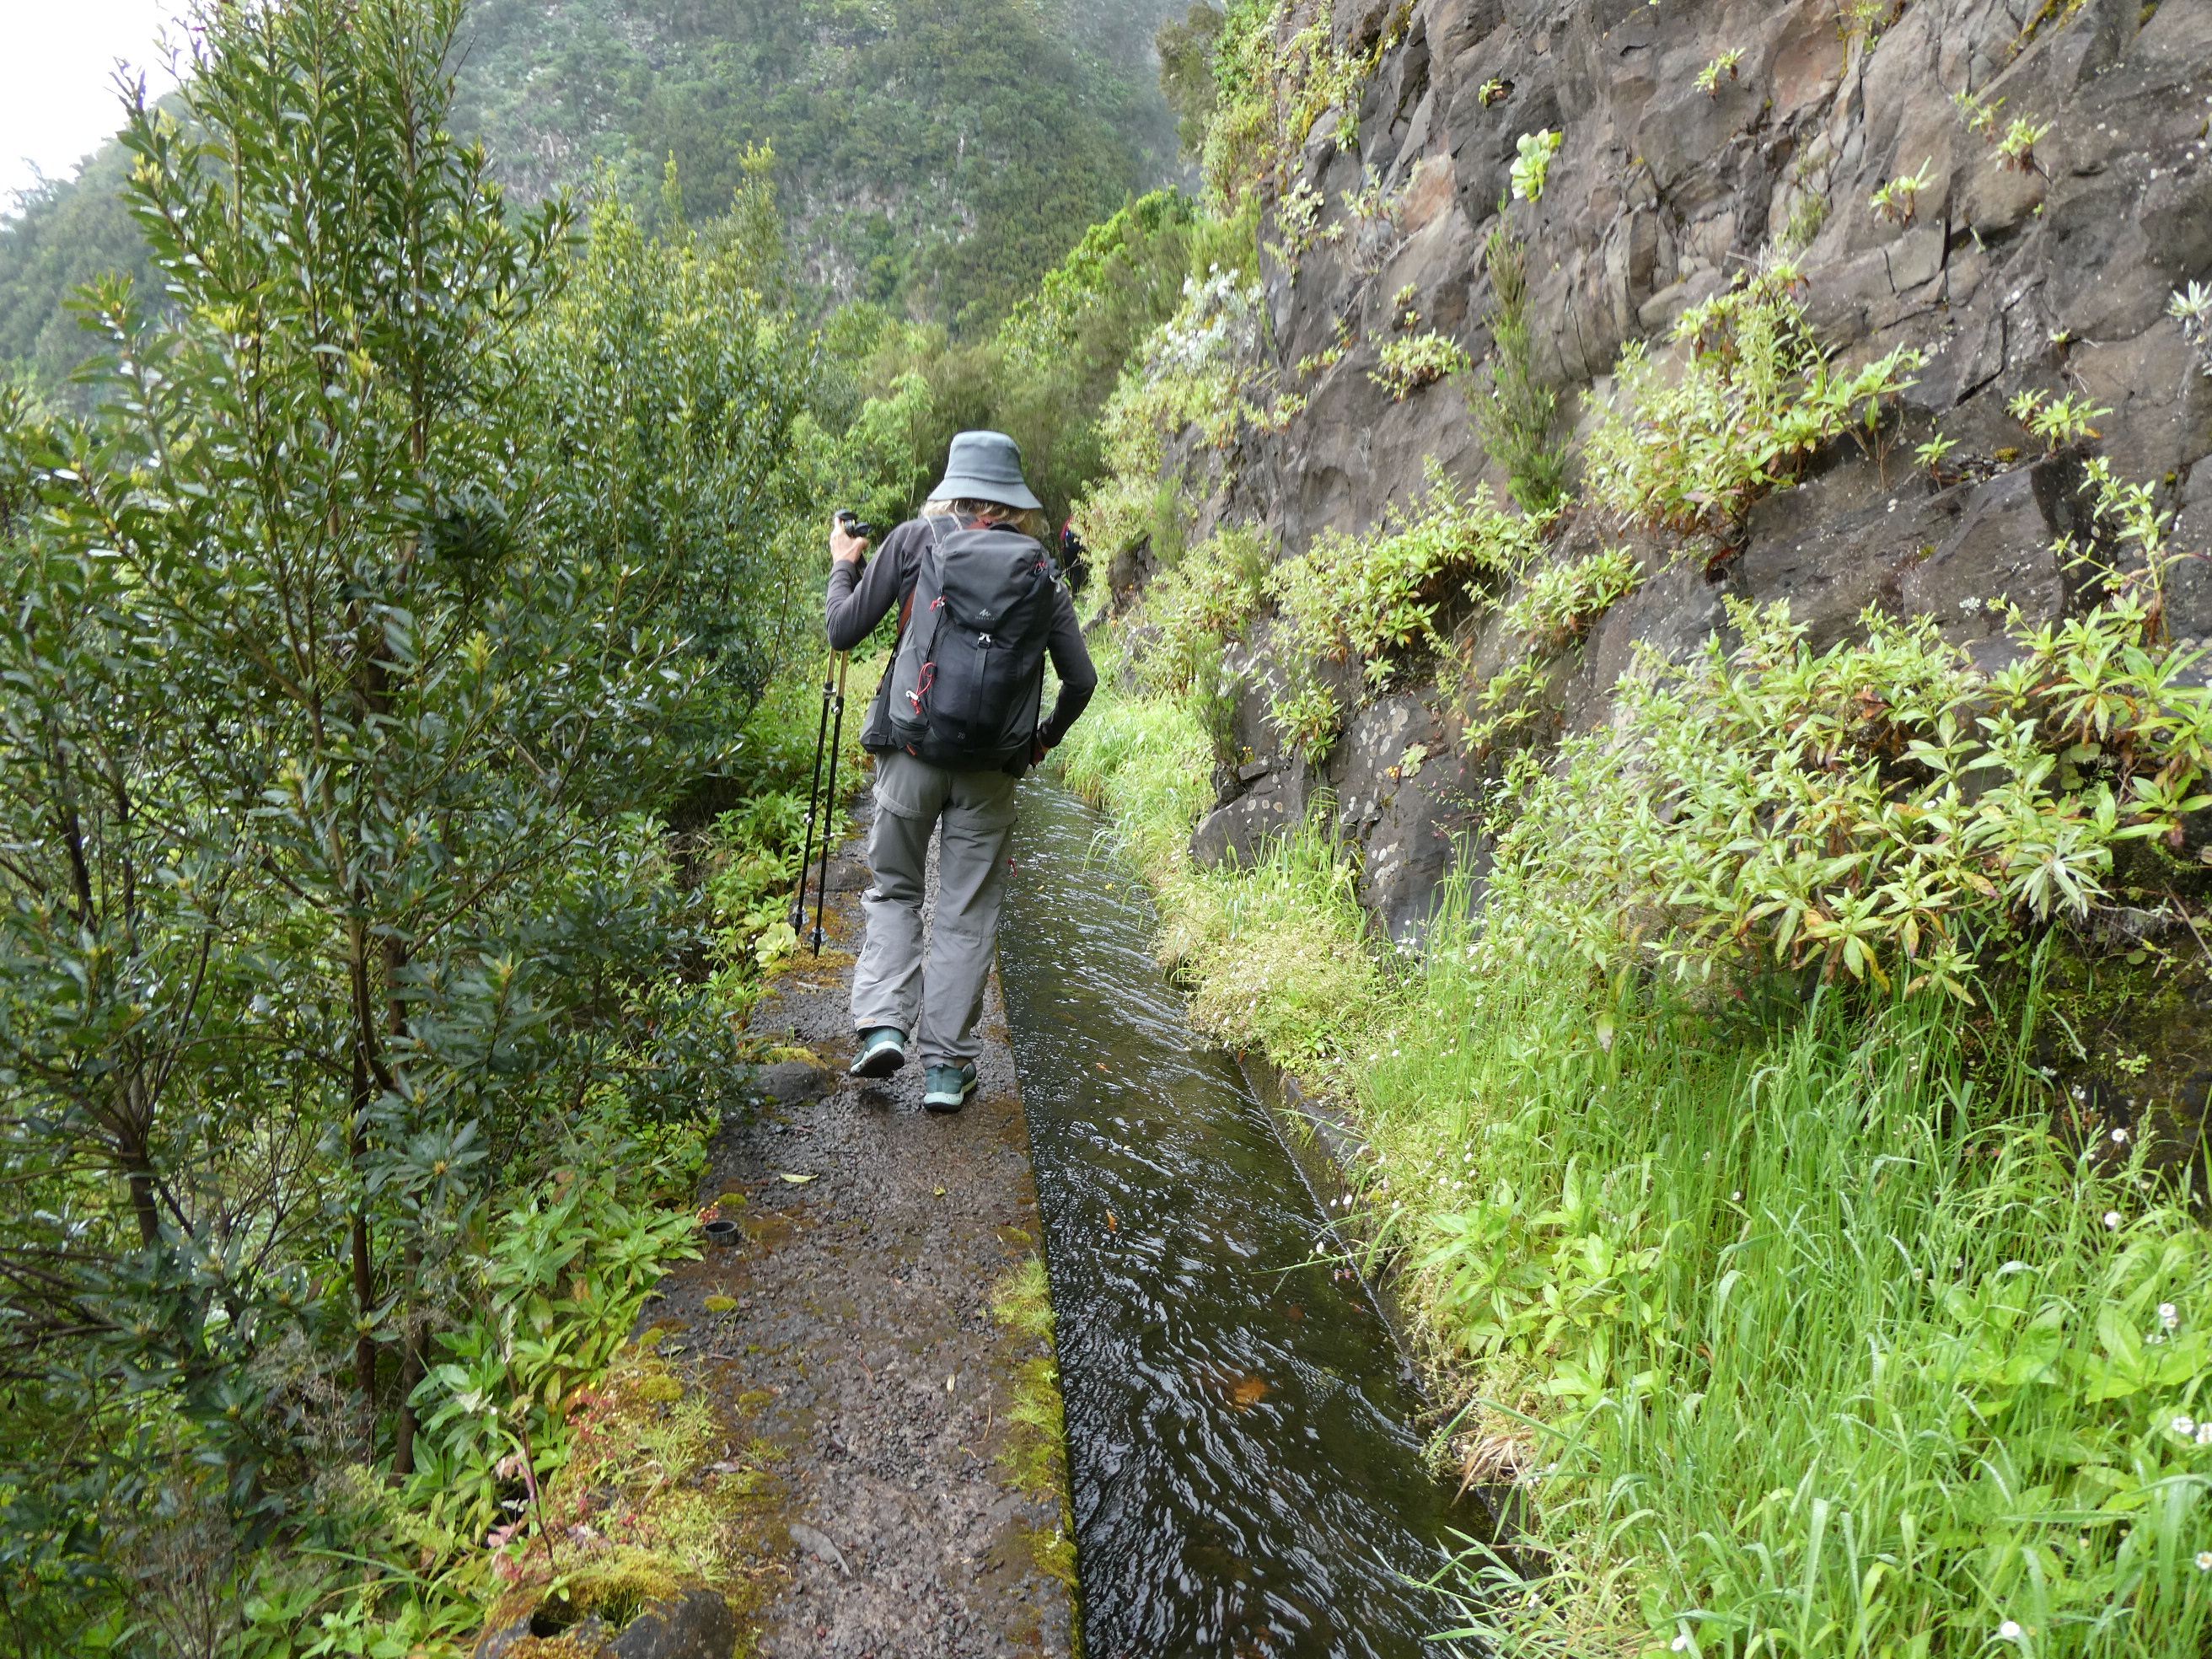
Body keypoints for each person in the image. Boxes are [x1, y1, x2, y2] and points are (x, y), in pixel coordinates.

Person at [825, 431, 1097, 1112]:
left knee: (896, 890)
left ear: (954, 489)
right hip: (990, 772)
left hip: (911, 755)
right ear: (1014, 500)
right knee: (966, 913)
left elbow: (842, 630)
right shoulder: (1042, 572)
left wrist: (843, 565)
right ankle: (946, 1071)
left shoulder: (914, 541)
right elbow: (1081, 681)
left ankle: (883, 1026)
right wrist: (1040, 742)